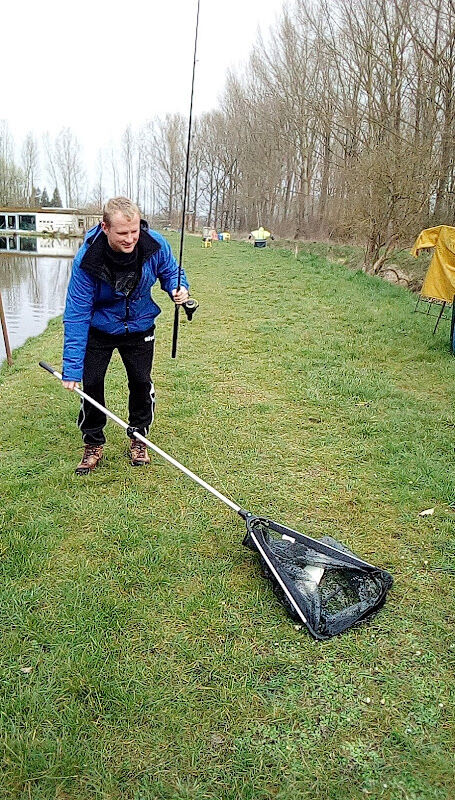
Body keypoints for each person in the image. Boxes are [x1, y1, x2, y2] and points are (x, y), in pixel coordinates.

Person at [62, 196, 189, 475]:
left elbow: (171, 271)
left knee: (141, 382)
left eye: (134, 231)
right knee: (92, 383)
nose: (131, 238)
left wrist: (179, 288)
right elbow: (76, 314)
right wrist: (71, 369)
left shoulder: (153, 243)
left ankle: (139, 438)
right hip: (101, 328)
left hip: (140, 326)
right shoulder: (88, 259)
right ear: (105, 227)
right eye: (123, 233)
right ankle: (93, 443)